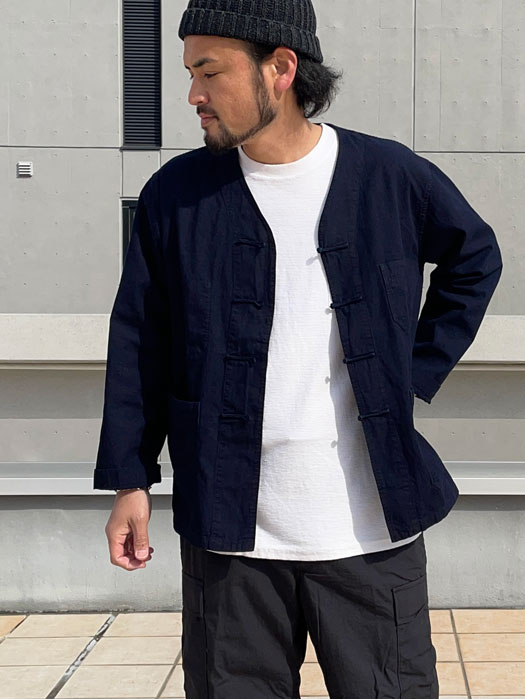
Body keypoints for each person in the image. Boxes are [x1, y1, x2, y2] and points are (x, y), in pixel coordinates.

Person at [94, 1, 503, 697]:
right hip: (230, 537)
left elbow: (475, 258)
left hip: (370, 534)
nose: (193, 94)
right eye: (189, 73)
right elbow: (140, 340)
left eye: (209, 72)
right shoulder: (176, 196)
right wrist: (130, 478)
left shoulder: (386, 176)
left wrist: (412, 369)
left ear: (280, 69)